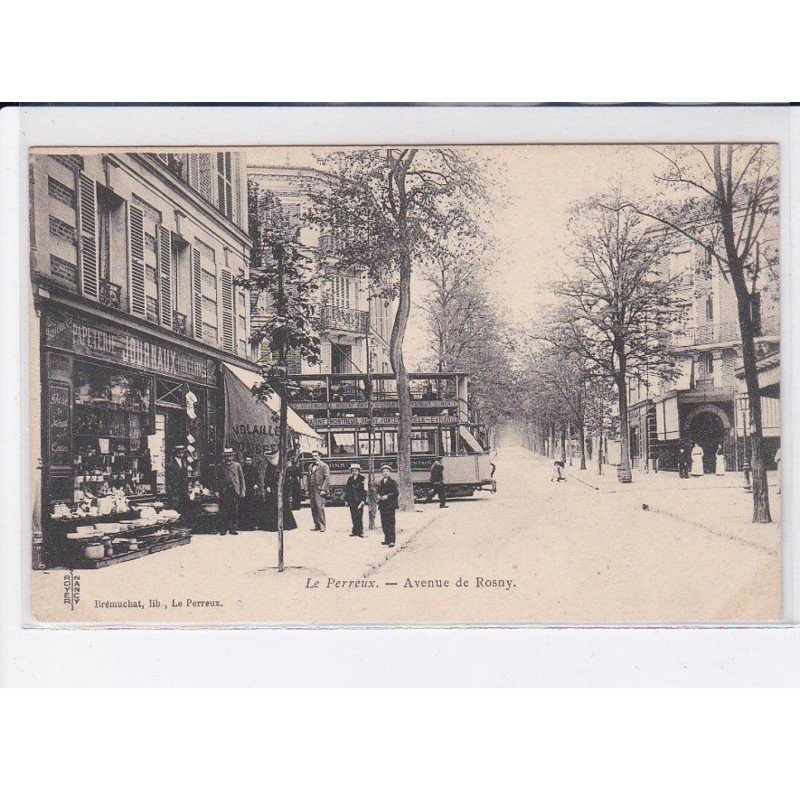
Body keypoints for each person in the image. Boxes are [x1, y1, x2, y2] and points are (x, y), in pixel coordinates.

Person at [262, 447, 298, 532]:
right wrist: (267, 486)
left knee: (284, 505)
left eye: (273, 457)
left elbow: (287, 478)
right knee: (272, 506)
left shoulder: (282, 466)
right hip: (272, 488)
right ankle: (273, 526)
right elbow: (266, 478)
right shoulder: (269, 467)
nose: (271, 459)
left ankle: (287, 524)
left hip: (282, 488)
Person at [219, 447, 245, 535]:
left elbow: (241, 479)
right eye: (226, 456)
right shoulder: (221, 466)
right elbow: (217, 479)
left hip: (234, 490)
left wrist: (242, 491)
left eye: (230, 456)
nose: (228, 458)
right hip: (224, 491)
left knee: (233, 510)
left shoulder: (237, 466)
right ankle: (223, 529)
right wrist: (216, 491)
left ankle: (232, 529)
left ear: (233, 457)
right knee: (223, 510)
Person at [306, 450, 330, 532]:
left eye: (316, 455)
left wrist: (323, 489)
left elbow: (327, 479)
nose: (314, 457)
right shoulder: (310, 466)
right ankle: (316, 524)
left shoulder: (324, 466)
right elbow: (308, 479)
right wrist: (307, 489)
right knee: (313, 507)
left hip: (319, 489)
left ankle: (322, 525)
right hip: (312, 488)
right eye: (313, 456)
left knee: (320, 507)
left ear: (320, 456)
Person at [376, 464, 400, 547]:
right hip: (382, 505)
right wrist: (378, 495)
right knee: (384, 522)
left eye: (387, 471)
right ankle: (387, 539)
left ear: (390, 472)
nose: (385, 473)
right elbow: (377, 491)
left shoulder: (392, 482)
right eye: (384, 471)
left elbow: (396, 493)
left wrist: (387, 496)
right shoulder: (380, 482)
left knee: (390, 522)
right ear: (382, 473)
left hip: (390, 505)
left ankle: (392, 540)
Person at [344, 463, 367, 537]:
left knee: (359, 516)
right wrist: (346, 500)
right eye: (353, 470)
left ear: (359, 471)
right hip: (352, 500)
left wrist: (363, 501)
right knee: (353, 515)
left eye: (356, 470)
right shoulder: (350, 479)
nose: (354, 472)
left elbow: (365, 491)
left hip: (359, 501)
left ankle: (360, 532)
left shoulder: (363, 478)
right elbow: (347, 490)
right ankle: (354, 531)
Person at [240, 455, 261, 530]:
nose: (248, 462)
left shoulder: (254, 469)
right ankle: (244, 525)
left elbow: (257, 478)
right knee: (243, 507)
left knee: (252, 507)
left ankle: (252, 525)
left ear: (251, 461)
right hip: (244, 489)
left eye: (249, 460)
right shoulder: (242, 469)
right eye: (247, 460)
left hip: (251, 490)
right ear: (244, 461)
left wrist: (256, 484)